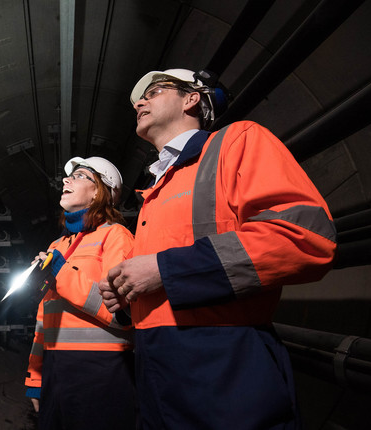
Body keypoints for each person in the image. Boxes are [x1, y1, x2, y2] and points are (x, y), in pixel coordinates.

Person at [99, 68, 337, 429]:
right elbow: (160, 284)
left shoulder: (237, 142)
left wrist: (164, 269)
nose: (140, 102)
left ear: (191, 98)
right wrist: (128, 300)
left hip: (222, 365)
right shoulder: (155, 189)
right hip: (155, 369)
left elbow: (304, 236)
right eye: (138, 99)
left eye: (155, 90)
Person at [24, 156, 137, 430]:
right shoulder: (57, 245)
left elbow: (122, 316)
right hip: (54, 366)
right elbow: (43, 318)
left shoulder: (116, 236)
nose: (66, 179)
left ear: (99, 190)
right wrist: (36, 377)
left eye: (80, 175)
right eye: (68, 176)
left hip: (101, 369)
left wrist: (62, 273)